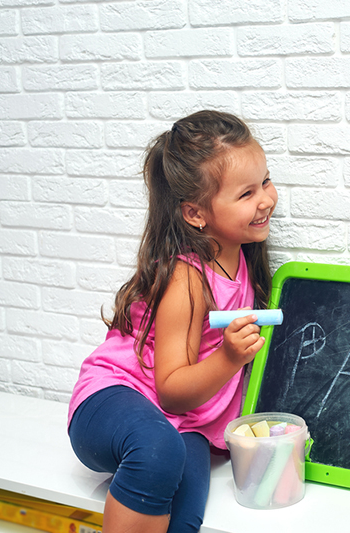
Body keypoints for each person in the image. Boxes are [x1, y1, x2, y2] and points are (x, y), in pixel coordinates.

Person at [67, 110, 278, 533]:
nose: (266, 200)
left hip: (187, 427)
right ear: (196, 214)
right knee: (159, 451)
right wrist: (230, 357)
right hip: (113, 399)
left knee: (186, 514)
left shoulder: (244, 261)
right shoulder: (186, 277)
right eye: (246, 194)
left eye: (266, 182)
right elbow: (171, 393)